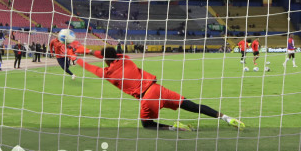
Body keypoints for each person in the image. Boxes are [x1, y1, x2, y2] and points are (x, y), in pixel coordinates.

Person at [70, 45, 244, 131]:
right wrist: (89, 50)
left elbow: (90, 68)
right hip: (158, 89)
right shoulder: (125, 59)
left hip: (146, 99)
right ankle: (226, 118)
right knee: (191, 105)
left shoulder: (107, 74)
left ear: (105, 61)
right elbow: (107, 54)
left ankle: (174, 127)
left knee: (147, 124)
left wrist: (75, 56)